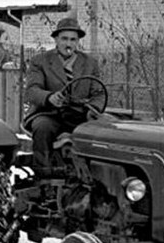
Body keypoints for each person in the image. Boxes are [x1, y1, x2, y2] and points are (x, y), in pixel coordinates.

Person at [24, 17, 105, 168]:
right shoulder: (40, 61)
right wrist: (49, 97)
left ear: (77, 42)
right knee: (43, 128)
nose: (68, 44)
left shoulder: (89, 63)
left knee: (105, 130)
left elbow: (99, 93)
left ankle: (95, 172)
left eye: (73, 40)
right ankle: (44, 172)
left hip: (79, 115)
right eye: (64, 39)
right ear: (56, 39)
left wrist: (92, 109)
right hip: (49, 114)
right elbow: (31, 91)